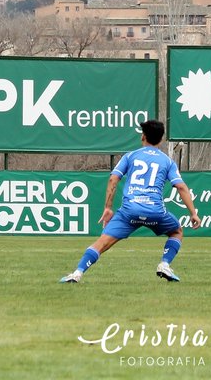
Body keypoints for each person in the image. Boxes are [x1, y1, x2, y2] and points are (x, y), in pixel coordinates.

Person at [60, 119, 200, 283]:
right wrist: (193, 213)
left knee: (102, 242)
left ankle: (77, 273)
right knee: (177, 231)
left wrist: (108, 208)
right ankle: (164, 264)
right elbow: (181, 187)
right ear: (161, 140)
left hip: (129, 211)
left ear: (143, 136)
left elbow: (113, 179)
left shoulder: (130, 156)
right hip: (155, 211)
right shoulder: (167, 161)